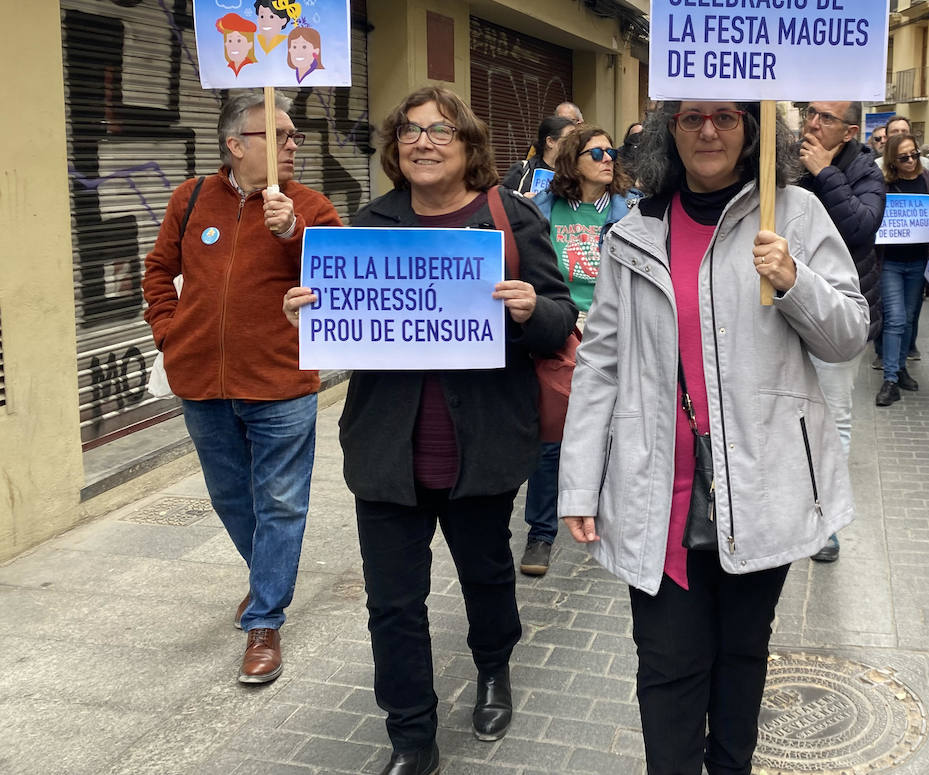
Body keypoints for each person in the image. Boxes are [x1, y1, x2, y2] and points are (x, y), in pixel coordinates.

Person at [559, 101, 867, 775]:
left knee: (741, 657)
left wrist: (793, 279)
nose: (708, 131)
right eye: (693, 116)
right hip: (656, 491)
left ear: (751, 128)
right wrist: (580, 481)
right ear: (670, 128)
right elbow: (601, 364)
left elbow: (847, 335)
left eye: (727, 116)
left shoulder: (797, 216)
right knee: (668, 668)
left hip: (763, 484)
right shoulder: (634, 232)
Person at [284, 88, 577, 775]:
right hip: (389, 450)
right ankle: (412, 733)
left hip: (483, 445)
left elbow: (562, 318)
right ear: (395, 148)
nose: (423, 141)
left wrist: (533, 307)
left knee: (486, 575)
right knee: (392, 603)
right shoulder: (371, 222)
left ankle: (494, 665)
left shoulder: (510, 218)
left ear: (469, 144)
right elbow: (350, 328)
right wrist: (310, 314)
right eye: (410, 131)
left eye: (439, 130)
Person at [142, 91, 341, 685]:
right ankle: (266, 582)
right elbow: (157, 270)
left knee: (280, 502)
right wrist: (168, 335)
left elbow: (337, 283)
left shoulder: (310, 206)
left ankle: (265, 620)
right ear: (235, 145)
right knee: (232, 499)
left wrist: (294, 232)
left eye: (294, 137)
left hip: (281, 381)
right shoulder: (193, 196)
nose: (291, 145)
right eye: (277, 136)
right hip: (200, 380)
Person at [521, 127, 638, 578]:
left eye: (611, 152)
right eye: (597, 152)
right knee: (553, 436)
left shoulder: (633, 210)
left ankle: (611, 521)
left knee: (616, 431)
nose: (608, 158)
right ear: (574, 159)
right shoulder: (541, 208)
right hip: (561, 330)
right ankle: (541, 533)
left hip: (615, 332)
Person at [797, 101, 885, 561]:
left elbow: (862, 228)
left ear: (850, 131)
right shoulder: (788, 160)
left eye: (825, 118)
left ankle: (826, 519)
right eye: (810, 113)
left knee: (832, 416)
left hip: (840, 314)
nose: (812, 123)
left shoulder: (867, 172)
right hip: (785, 307)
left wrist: (826, 173)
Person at [874, 132, 929, 406]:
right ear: (892, 159)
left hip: (918, 261)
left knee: (910, 318)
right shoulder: (883, 185)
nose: (911, 160)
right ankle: (889, 379)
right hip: (890, 261)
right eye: (904, 157)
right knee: (896, 319)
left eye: (915, 154)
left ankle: (899, 369)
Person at [502, 114, 575, 193]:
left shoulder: (573, 174)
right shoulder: (522, 170)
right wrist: (522, 200)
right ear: (550, 141)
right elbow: (503, 201)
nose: (575, 143)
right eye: (569, 138)